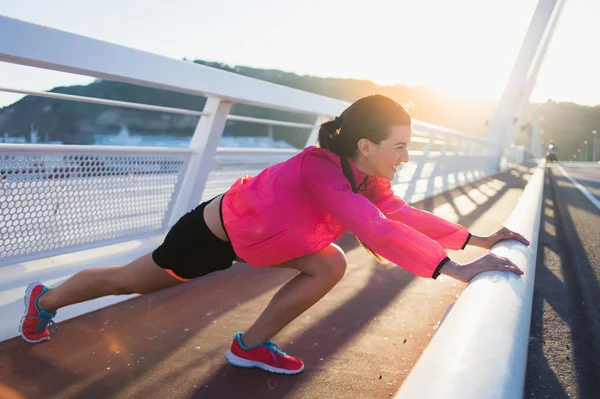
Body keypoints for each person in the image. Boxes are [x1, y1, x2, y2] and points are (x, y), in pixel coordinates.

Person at [19, 95, 529, 375]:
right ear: (366, 144)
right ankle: (46, 298)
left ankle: (251, 345)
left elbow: (398, 212)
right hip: (211, 237)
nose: (406, 157)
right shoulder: (320, 168)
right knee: (132, 279)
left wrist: (474, 241)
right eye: (399, 146)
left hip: (267, 243)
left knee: (331, 262)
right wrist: (454, 270)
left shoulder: (367, 176)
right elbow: (375, 226)